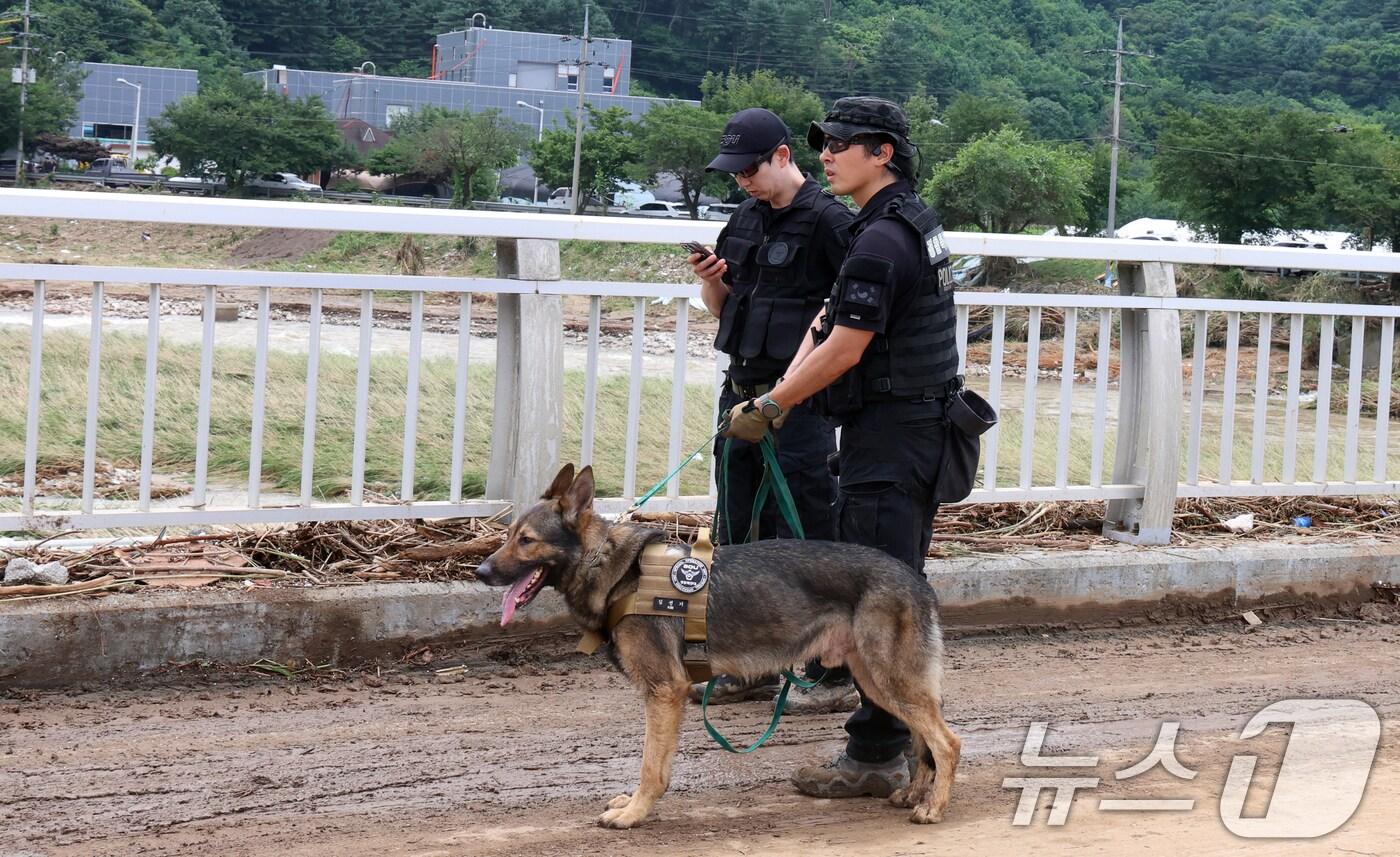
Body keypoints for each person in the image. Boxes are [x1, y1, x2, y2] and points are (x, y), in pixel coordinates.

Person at [722, 96, 960, 798]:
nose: (826, 153)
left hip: (893, 444)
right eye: (822, 141)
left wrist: (774, 403)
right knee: (882, 597)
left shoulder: (884, 239)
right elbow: (827, 321)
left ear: (882, 152)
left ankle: (878, 757)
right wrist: (776, 394)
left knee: (878, 606)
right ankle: (902, 754)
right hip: (898, 435)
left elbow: (847, 348)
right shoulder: (889, 226)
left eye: (842, 142)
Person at [688, 107, 858, 712]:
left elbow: (851, 319)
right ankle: (748, 663)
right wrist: (711, 279)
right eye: (734, 175)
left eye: (750, 171)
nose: (743, 182)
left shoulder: (832, 223)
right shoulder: (745, 216)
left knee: (807, 528)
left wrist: (786, 394)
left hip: (801, 399)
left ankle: (832, 670)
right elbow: (725, 309)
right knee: (736, 525)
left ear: (783, 157)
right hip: (742, 389)